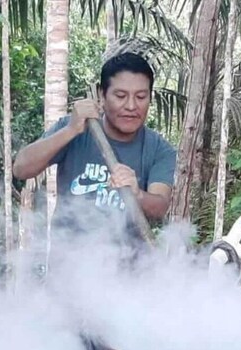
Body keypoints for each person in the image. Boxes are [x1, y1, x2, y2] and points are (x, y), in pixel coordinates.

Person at [12, 52, 177, 239]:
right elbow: (21, 169)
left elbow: (160, 207)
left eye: (140, 97)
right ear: (101, 95)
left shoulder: (159, 149)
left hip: (131, 266)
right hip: (68, 264)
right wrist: (70, 131)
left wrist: (137, 195)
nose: (131, 106)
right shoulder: (73, 127)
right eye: (121, 96)